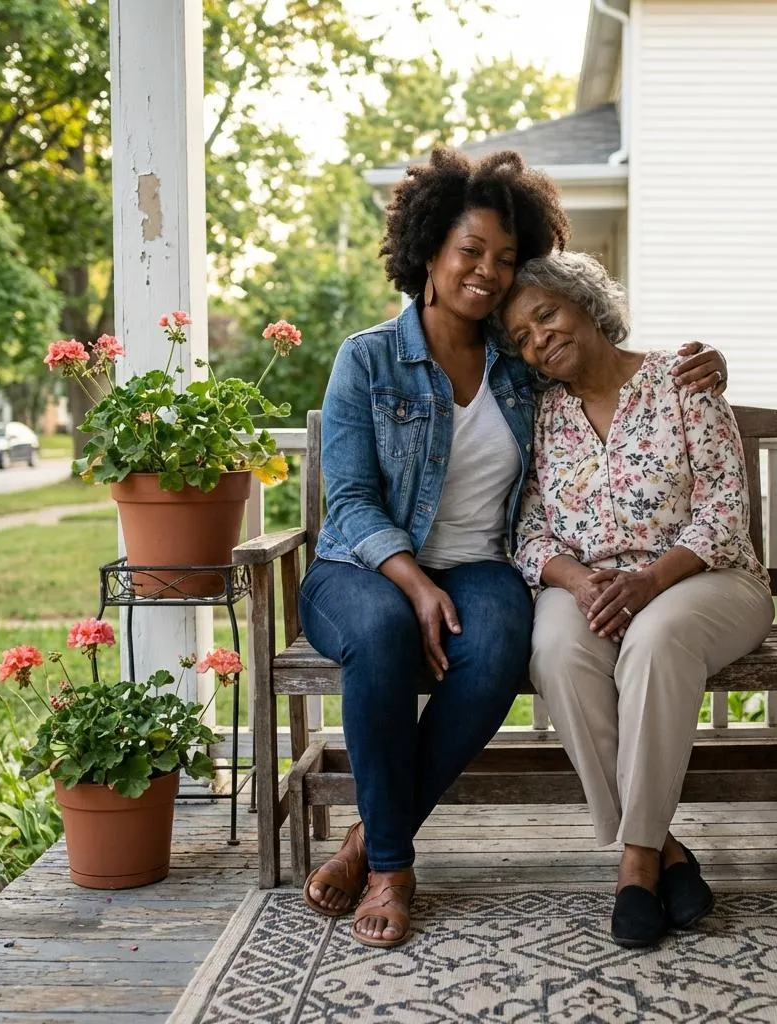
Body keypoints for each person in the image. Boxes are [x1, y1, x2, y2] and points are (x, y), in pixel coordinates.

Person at [298, 148, 729, 948]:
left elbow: (604, 367)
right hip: (360, 566)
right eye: (470, 252)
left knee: (499, 648)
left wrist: (702, 366)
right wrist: (414, 585)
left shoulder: (520, 368)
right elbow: (350, 502)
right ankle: (392, 866)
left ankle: (364, 837)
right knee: (386, 632)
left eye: (505, 258)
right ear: (428, 252)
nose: (489, 272)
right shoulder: (367, 357)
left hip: (480, 564)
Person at [500, 250, 774, 949]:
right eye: (523, 338)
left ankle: (633, 862)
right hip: (590, 582)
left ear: (587, 304)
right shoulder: (543, 415)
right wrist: (576, 579)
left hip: (704, 579)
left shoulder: (683, 379)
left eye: (546, 316)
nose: (539, 340)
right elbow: (529, 527)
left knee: (655, 639)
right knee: (557, 647)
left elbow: (722, 510)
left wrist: (651, 581)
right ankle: (665, 851)